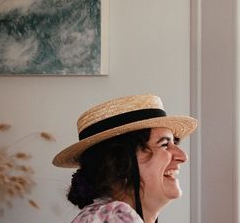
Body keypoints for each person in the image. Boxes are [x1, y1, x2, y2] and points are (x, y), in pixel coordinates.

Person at [53, 94, 198, 223]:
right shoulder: (114, 216)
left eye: (174, 143)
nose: (182, 157)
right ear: (119, 163)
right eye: (164, 144)